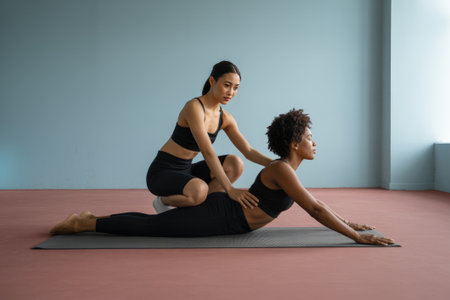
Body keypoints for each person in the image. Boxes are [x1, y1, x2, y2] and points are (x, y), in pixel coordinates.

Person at [50, 109, 395, 246]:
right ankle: (85, 223)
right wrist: (354, 236)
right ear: (294, 143)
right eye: (308, 137)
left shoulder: (285, 171)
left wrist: (351, 224)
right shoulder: (281, 170)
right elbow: (315, 210)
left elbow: (317, 204)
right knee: (153, 227)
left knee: (157, 225)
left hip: (228, 219)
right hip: (219, 216)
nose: (313, 142)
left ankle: (93, 220)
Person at [147, 61, 272, 213]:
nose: (231, 92)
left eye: (236, 88)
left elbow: (248, 151)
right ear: (212, 81)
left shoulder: (225, 118)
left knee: (235, 164)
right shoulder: (194, 107)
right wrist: (230, 189)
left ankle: (197, 203)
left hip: (187, 170)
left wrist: (278, 164)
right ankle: (162, 201)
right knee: (199, 189)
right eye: (227, 85)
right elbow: (207, 151)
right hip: (162, 172)